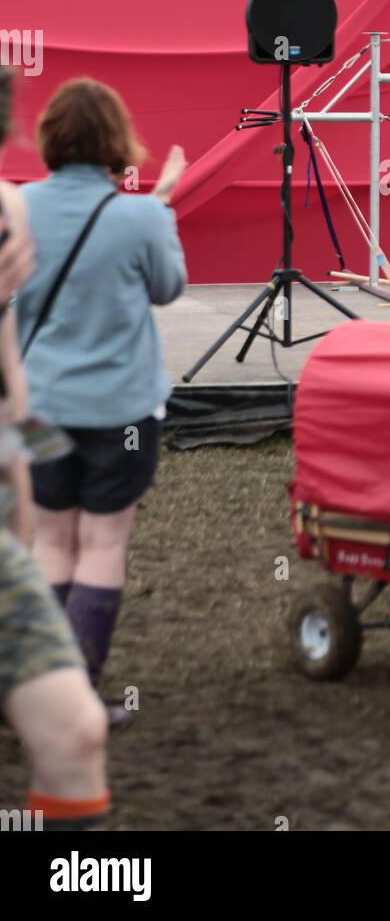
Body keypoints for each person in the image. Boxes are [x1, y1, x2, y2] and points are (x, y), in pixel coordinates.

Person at [18, 79, 187, 721]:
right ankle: (74, 698)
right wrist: (162, 204)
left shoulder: (17, 207)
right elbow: (168, 288)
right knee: (102, 544)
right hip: (121, 412)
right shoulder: (141, 214)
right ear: (118, 142)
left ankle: (33, 688)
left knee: (50, 543)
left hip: (39, 407)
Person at [0, 68, 110, 830]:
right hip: (110, 414)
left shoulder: (14, 211)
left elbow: (11, 384)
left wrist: (20, 514)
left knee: (76, 732)